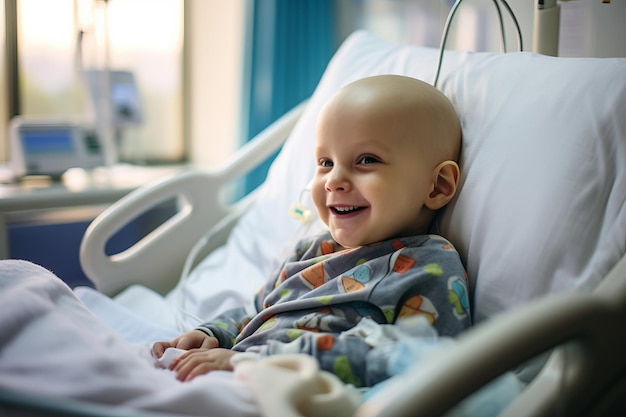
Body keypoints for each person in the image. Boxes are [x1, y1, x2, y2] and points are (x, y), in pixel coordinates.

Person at [152, 74, 471, 388]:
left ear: (438, 185)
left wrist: (261, 361)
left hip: (292, 392)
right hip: (236, 370)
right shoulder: (309, 250)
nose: (333, 181)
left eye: (366, 159)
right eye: (325, 162)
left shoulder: (428, 263)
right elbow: (258, 311)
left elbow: (423, 362)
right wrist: (212, 334)